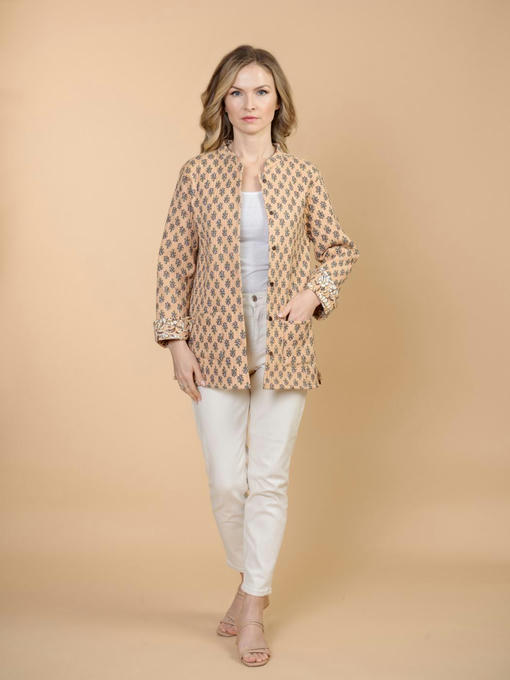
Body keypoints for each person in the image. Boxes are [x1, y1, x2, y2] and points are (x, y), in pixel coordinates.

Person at [153, 44, 360, 667]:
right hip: (214, 342)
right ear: (222, 101)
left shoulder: (303, 175)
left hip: (284, 343)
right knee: (226, 481)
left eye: (261, 91)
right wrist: (176, 342)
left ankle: (251, 609)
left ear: (278, 102)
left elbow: (340, 249)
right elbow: (174, 261)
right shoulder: (197, 174)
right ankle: (252, 584)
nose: (249, 103)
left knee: (267, 479)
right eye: (237, 91)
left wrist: (313, 296)